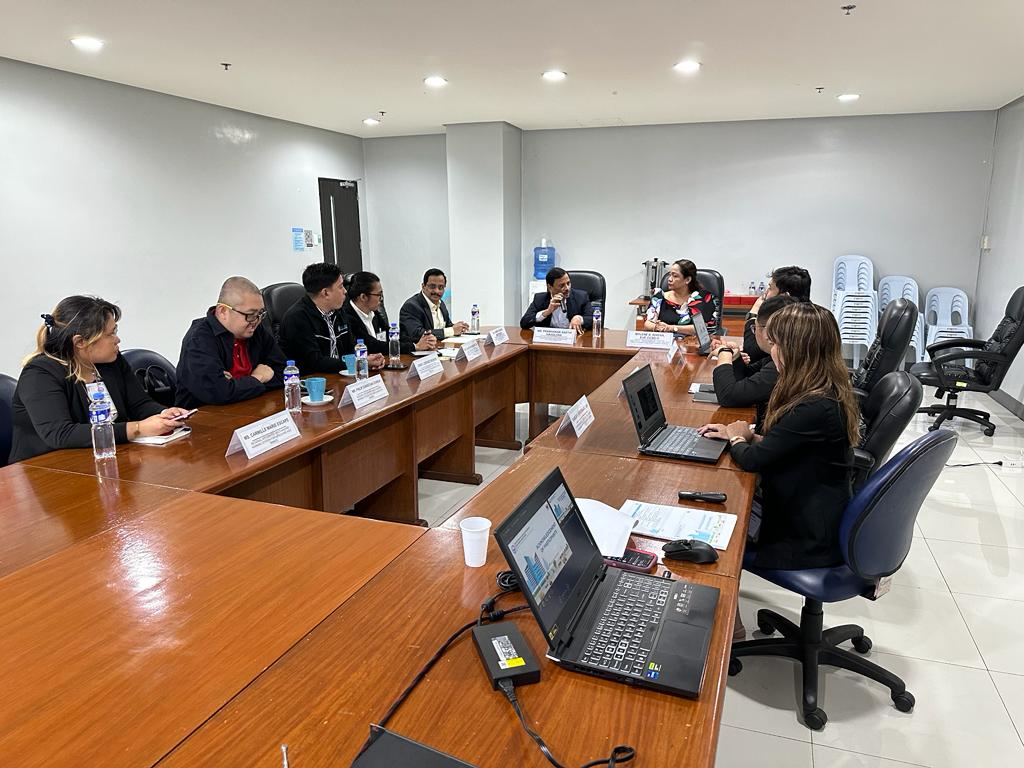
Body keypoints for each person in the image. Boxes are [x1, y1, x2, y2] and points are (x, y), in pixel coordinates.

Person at [699, 302, 858, 573]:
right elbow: (788, 446)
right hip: (805, 515)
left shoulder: (813, 406)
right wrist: (745, 434)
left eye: (775, 344)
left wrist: (737, 439)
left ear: (793, 350)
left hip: (801, 541)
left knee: (707, 530)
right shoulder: (823, 389)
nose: (772, 350)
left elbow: (752, 460)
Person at [9, 296, 190, 462]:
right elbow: (60, 434)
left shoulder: (111, 361)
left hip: (108, 458)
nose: (117, 339)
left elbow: (139, 404)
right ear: (80, 342)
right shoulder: (39, 374)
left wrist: (163, 414)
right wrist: (138, 428)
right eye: (110, 334)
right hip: (48, 468)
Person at [175, 277, 286, 408]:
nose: (256, 321)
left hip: (250, 407)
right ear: (223, 311)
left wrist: (237, 384)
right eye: (250, 314)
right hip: (205, 415)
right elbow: (219, 393)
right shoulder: (199, 340)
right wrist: (258, 378)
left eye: (260, 314)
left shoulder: (255, 329)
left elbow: (285, 373)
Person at [279, 263, 385, 373]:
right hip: (314, 380)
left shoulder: (339, 311)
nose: (345, 291)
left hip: (341, 375)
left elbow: (351, 347)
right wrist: (358, 363)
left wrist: (365, 359)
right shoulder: (297, 318)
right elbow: (315, 362)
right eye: (340, 286)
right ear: (325, 293)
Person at [711, 295, 797, 428]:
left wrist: (724, 354)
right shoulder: (774, 357)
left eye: (754, 328)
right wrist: (736, 358)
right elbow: (749, 378)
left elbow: (728, 396)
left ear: (768, 332)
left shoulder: (782, 366)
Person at [342, 271, 438, 356]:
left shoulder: (373, 313)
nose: (381, 299)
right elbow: (374, 345)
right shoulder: (347, 317)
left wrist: (420, 340)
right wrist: (414, 346)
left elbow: (391, 334)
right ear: (363, 297)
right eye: (379, 295)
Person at [744, 265, 812, 364]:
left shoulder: (788, 322)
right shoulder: (810, 313)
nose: (766, 293)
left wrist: (754, 313)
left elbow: (752, 352)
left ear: (784, 296)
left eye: (770, 288)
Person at [643, 259, 717, 334]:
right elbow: (647, 324)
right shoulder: (659, 296)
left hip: (692, 340)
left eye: (675, 276)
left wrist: (671, 328)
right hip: (664, 339)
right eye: (670, 275)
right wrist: (657, 327)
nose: (669, 279)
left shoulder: (703, 298)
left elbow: (702, 327)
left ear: (687, 280)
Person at [399, 268, 469, 346]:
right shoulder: (411, 306)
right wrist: (452, 330)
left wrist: (458, 327)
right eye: (432, 287)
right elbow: (418, 334)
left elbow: (447, 325)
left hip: (440, 349)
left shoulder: (441, 303)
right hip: (417, 352)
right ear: (423, 286)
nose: (437, 291)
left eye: (441, 287)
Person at [520, 267, 593, 333]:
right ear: (550, 287)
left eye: (568, 283)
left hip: (573, 339)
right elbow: (524, 323)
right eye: (562, 285)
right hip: (548, 340)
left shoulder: (581, 297)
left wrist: (579, 319)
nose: (567, 288)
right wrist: (547, 312)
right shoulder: (540, 299)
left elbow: (593, 319)